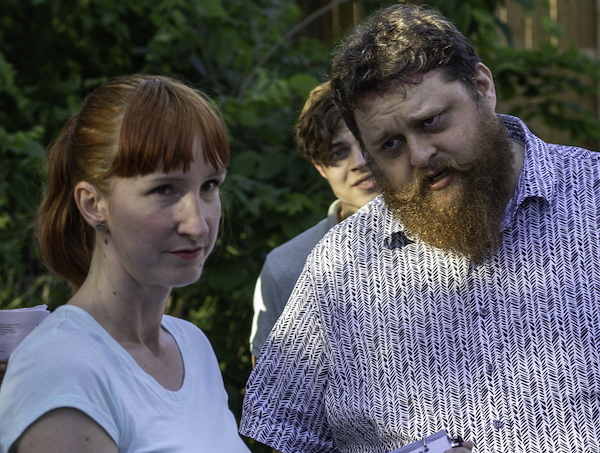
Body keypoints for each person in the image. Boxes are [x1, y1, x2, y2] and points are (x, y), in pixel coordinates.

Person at [239, 4, 600, 453]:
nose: (419, 155)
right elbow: (278, 438)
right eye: (390, 144)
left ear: (483, 90)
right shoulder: (341, 265)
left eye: (430, 122)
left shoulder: (592, 199)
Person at [0, 75, 250, 453]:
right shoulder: (63, 368)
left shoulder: (191, 346)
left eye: (209, 186)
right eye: (164, 189)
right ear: (92, 204)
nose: (197, 223)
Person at [250, 81, 378, 360]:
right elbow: (269, 396)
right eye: (339, 152)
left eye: (370, 141)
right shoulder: (286, 267)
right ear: (320, 167)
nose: (360, 161)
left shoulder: (450, 236)